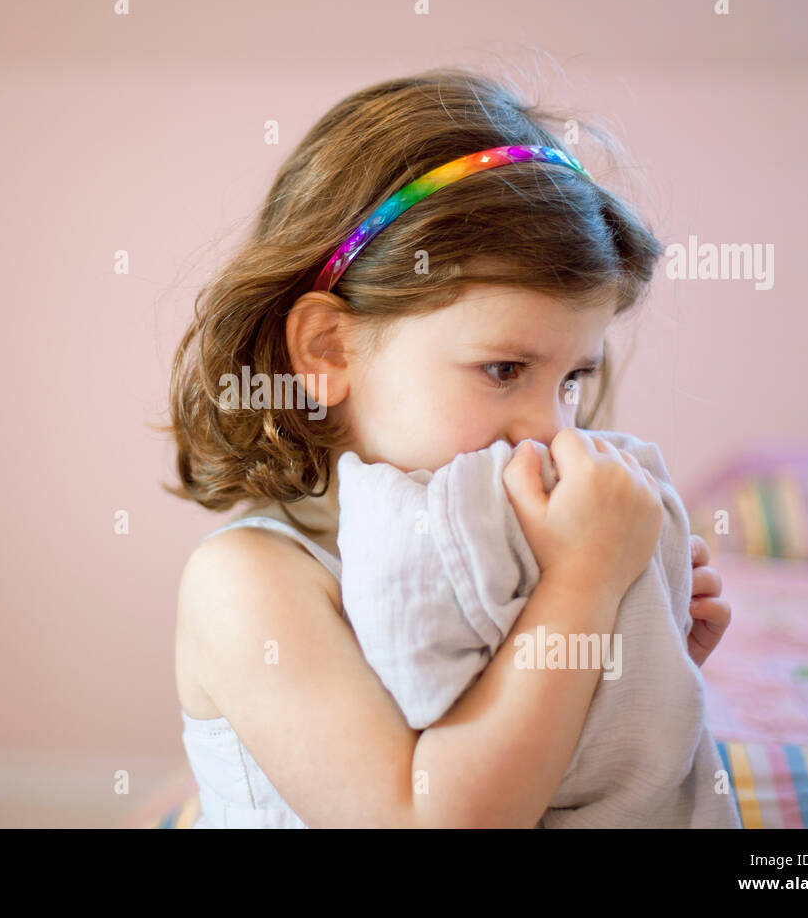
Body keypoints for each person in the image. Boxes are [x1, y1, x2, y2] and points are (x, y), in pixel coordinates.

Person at [162, 66, 732, 828]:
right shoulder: (250, 581)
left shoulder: (495, 542)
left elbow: (524, 761)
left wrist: (637, 657)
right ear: (329, 350)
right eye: (504, 369)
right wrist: (587, 582)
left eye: (572, 378)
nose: (552, 428)